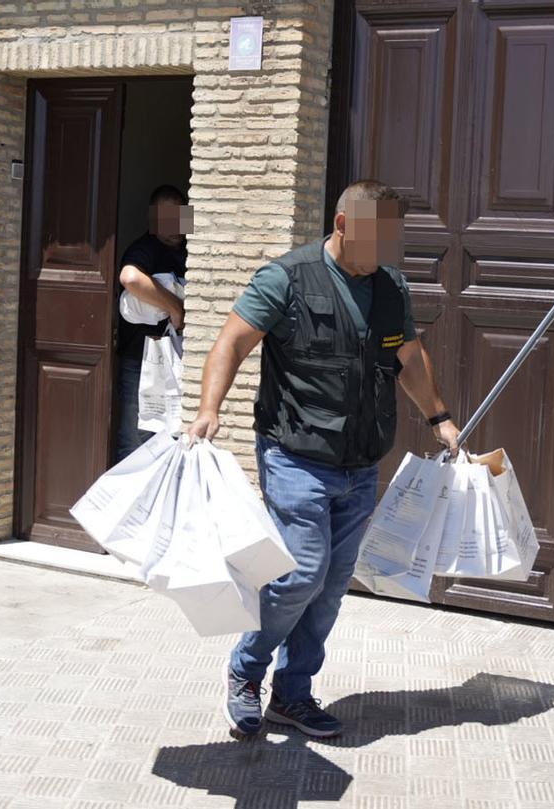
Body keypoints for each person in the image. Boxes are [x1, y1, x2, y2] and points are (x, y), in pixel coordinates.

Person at [186, 180, 460, 739]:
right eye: (376, 236)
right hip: (295, 454)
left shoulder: (391, 289)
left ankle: (293, 694)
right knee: (302, 573)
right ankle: (245, 670)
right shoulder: (286, 277)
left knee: (332, 585)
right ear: (341, 225)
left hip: (359, 462)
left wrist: (439, 417)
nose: (386, 249)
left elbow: (408, 358)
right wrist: (208, 408)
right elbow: (231, 342)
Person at [115, 185, 191, 463]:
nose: (174, 226)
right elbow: (131, 278)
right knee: (136, 442)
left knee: (170, 440)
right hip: (140, 360)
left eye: (179, 217)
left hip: (177, 362)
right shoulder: (145, 248)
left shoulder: (191, 251)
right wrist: (175, 307)